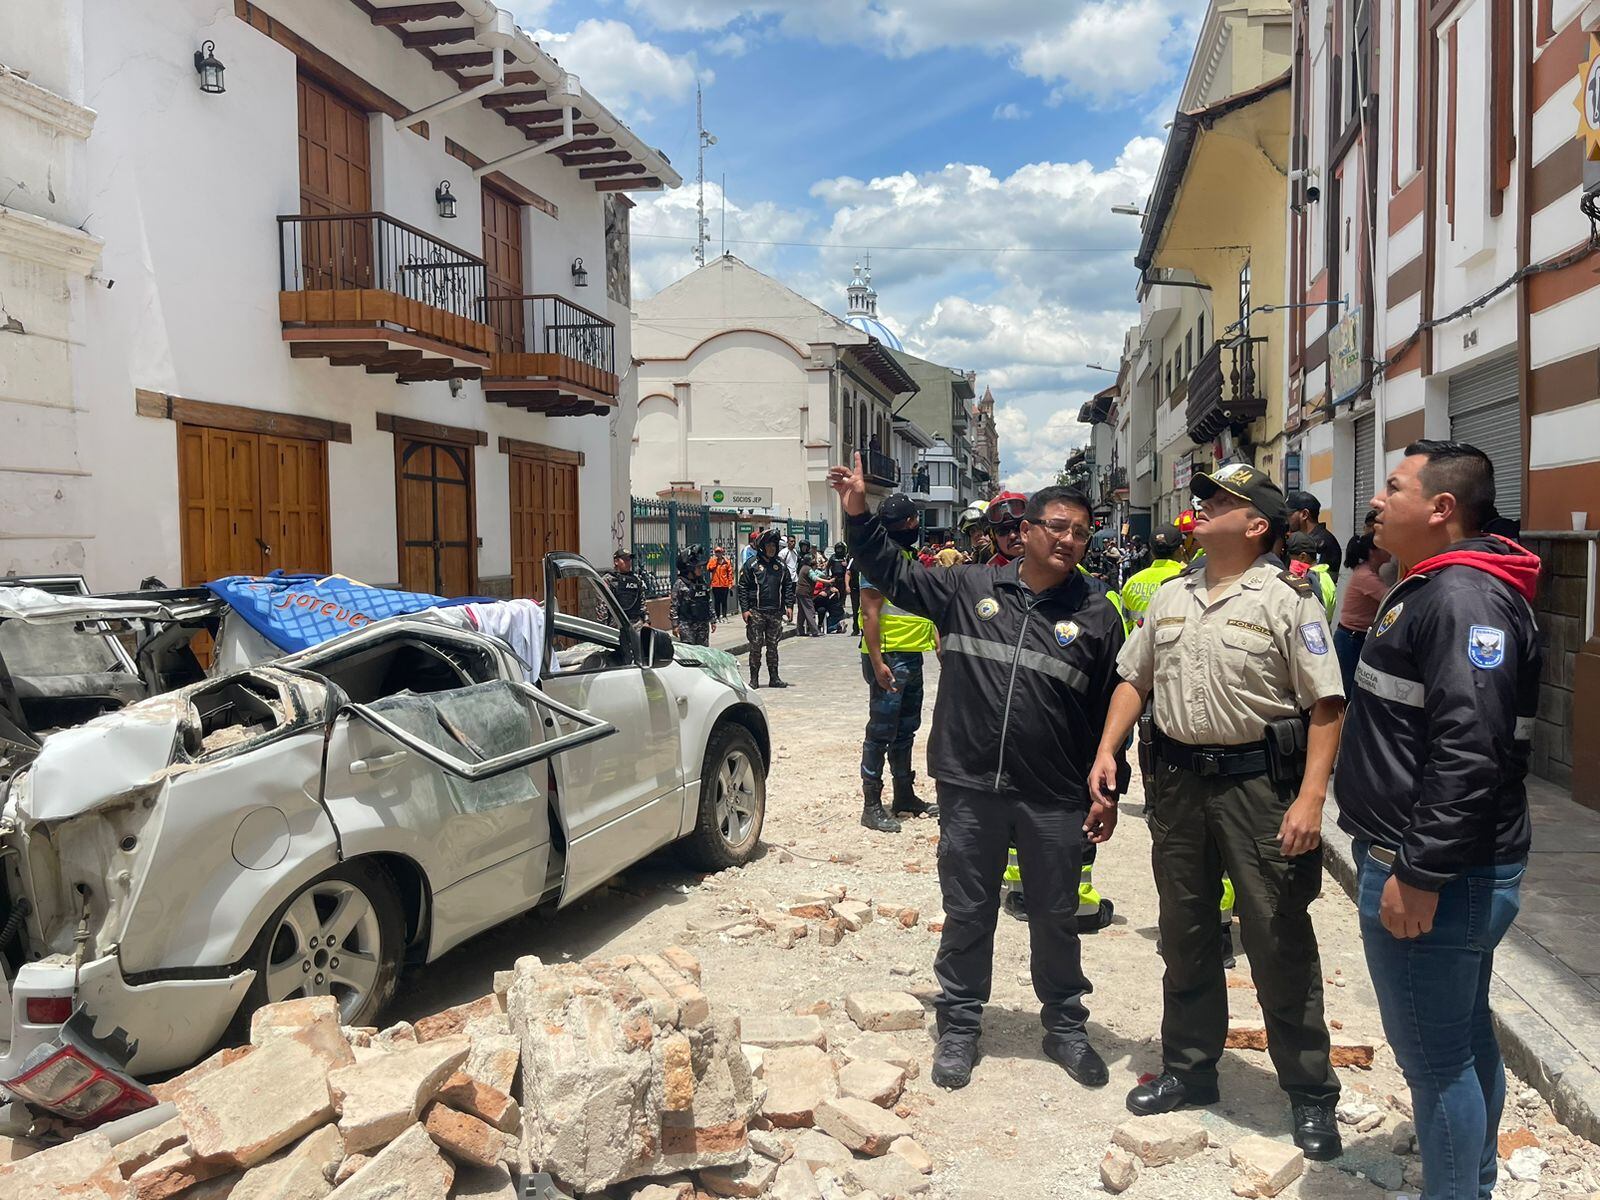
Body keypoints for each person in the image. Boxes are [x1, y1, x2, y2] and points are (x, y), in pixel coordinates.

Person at [829, 456, 1126, 1094]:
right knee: (968, 910)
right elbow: (889, 572)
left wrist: (1110, 785)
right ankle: (960, 1025)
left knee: (1055, 914)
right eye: (1058, 526)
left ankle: (1066, 1026)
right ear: (1029, 529)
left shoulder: (1099, 615)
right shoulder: (968, 588)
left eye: (1081, 531)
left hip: (1054, 795)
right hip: (969, 788)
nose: (1069, 539)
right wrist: (857, 512)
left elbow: (1112, 709)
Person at [1090, 461, 1346, 1161]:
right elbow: (1133, 679)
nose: (1200, 508)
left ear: (1257, 524)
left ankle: (1311, 1092)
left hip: (1257, 789)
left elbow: (1327, 705)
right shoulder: (1172, 596)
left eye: (1219, 501)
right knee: (1185, 931)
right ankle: (1189, 1068)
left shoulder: (1290, 601)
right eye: (1203, 497)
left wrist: (1310, 800)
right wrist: (1107, 750)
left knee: (1276, 936)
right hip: (1176, 785)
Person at [1337, 441, 1540, 1200]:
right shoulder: (1430, 587)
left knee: (1435, 1061)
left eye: (1393, 487)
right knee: (1462, 1034)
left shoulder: (1462, 599)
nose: (1377, 501)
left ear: (1441, 508)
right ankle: (1474, 1182)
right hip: (1435, 862)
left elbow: (1470, 753)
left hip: (1436, 873)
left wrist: (1418, 873)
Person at [856, 494, 942, 834]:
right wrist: (877, 662)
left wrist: (936, 637)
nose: (913, 527)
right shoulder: (876, 559)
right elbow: (870, 612)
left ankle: (904, 794)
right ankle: (871, 804)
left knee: (907, 727)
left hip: (910, 654)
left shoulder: (907, 557)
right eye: (909, 522)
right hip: (888, 657)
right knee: (881, 731)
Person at [1332, 534, 1391, 697]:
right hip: (1350, 640)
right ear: (1373, 552)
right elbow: (1390, 598)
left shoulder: (1367, 572)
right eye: (1383, 545)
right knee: (1347, 691)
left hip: (1355, 637)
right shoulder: (1366, 576)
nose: (1389, 548)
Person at [739, 529, 794, 688]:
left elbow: (788, 586)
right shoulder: (751, 565)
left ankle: (774, 677)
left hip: (775, 612)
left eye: (774, 546)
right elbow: (742, 587)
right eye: (769, 545)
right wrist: (745, 609)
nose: (772, 549)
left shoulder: (781, 566)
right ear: (763, 546)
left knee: (773, 646)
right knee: (755, 646)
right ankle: (754, 679)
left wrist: (789, 605)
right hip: (756, 612)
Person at [1120, 525, 1187, 628]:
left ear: (1152, 552)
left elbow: (1125, 623)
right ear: (1181, 550)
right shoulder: (1188, 579)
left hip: (1139, 642)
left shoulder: (1131, 583)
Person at [1285, 490, 1343, 582]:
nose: (1287, 519)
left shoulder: (1323, 543)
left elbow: (1319, 583)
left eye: (1289, 515)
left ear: (1304, 514)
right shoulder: (1302, 539)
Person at [1285, 532, 1337, 624]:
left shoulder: (1311, 579)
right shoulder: (1324, 575)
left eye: (1291, 559)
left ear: (1303, 557)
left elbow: (1310, 614)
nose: (1290, 563)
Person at [672, 545, 715, 646]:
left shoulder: (702, 582)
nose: (701, 569)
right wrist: (675, 625)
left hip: (702, 624)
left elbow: (708, 601)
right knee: (690, 654)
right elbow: (674, 605)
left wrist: (713, 620)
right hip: (687, 625)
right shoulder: (680, 583)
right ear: (690, 568)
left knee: (704, 653)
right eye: (698, 567)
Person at [601, 549, 654, 629]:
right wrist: (604, 628)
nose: (628, 562)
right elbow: (602, 605)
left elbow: (642, 602)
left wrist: (646, 621)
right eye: (625, 560)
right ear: (616, 562)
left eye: (629, 560)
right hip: (616, 625)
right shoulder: (608, 580)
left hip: (636, 624)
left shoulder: (636, 579)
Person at [985, 491, 1028, 566]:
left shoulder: (1051, 564)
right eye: (1003, 531)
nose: (1012, 536)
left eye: (1018, 527)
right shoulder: (989, 573)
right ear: (994, 538)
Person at [796, 552, 822, 637]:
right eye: (813, 559)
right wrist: (828, 581)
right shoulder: (807, 569)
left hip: (800, 592)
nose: (814, 560)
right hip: (805, 592)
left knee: (802, 612)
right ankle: (815, 631)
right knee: (810, 611)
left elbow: (820, 574)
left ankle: (800, 631)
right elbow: (815, 578)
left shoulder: (804, 568)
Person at [710, 545, 735, 620]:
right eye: (716, 552)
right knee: (717, 601)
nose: (718, 554)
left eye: (719, 552)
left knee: (724, 601)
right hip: (716, 585)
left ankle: (724, 615)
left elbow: (730, 573)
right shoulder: (713, 561)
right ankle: (717, 616)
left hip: (724, 584)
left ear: (722, 553)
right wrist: (715, 562)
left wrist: (730, 583)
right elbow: (709, 568)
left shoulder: (726, 562)